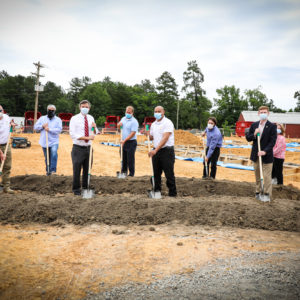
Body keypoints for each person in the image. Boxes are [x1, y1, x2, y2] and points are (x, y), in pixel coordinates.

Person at [246, 106, 277, 201]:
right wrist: (254, 134)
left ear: (268, 113)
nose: (263, 113)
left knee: (267, 176)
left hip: (267, 156)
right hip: (256, 155)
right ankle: (258, 192)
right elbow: (248, 138)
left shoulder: (272, 126)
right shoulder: (254, 125)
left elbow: (272, 141)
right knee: (258, 175)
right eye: (261, 112)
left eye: (265, 112)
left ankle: (267, 194)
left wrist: (265, 151)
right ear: (258, 113)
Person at [69, 100, 98, 195]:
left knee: (87, 169)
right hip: (78, 148)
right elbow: (73, 134)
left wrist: (95, 127)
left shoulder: (91, 118)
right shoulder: (74, 118)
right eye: (83, 106)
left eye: (87, 107)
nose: (85, 108)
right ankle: (76, 189)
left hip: (88, 148)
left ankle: (86, 188)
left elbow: (95, 132)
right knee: (77, 170)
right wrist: (87, 137)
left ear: (89, 108)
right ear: (80, 107)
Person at [148, 106, 177, 197]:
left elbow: (165, 138)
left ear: (163, 112)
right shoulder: (153, 124)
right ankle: (157, 191)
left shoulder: (167, 123)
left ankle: (172, 193)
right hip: (156, 151)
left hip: (166, 151)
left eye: (159, 111)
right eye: (155, 111)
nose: (157, 113)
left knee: (169, 173)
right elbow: (152, 137)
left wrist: (156, 150)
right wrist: (147, 133)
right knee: (155, 173)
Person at [34, 104, 62, 175]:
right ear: (47, 110)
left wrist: (50, 129)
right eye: (49, 110)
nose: (51, 111)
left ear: (55, 111)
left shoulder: (58, 120)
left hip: (54, 141)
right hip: (44, 141)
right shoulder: (42, 118)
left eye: (52, 110)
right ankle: (48, 171)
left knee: (54, 153)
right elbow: (35, 127)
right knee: (47, 157)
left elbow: (59, 130)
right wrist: (42, 126)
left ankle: (53, 170)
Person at [117, 106, 139, 177]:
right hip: (123, 142)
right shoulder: (123, 119)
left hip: (131, 142)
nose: (128, 113)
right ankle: (123, 174)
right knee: (123, 159)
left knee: (130, 159)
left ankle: (131, 175)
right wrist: (118, 126)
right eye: (127, 112)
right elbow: (119, 130)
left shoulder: (134, 121)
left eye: (129, 112)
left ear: (132, 113)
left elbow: (133, 133)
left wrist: (125, 140)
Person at [0, 105, 15, 193]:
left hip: (6, 145)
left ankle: (6, 187)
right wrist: (1, 153)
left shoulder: (6, 117)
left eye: (0, 110)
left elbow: (10, 123)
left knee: (7, 166)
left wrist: (12, 124)